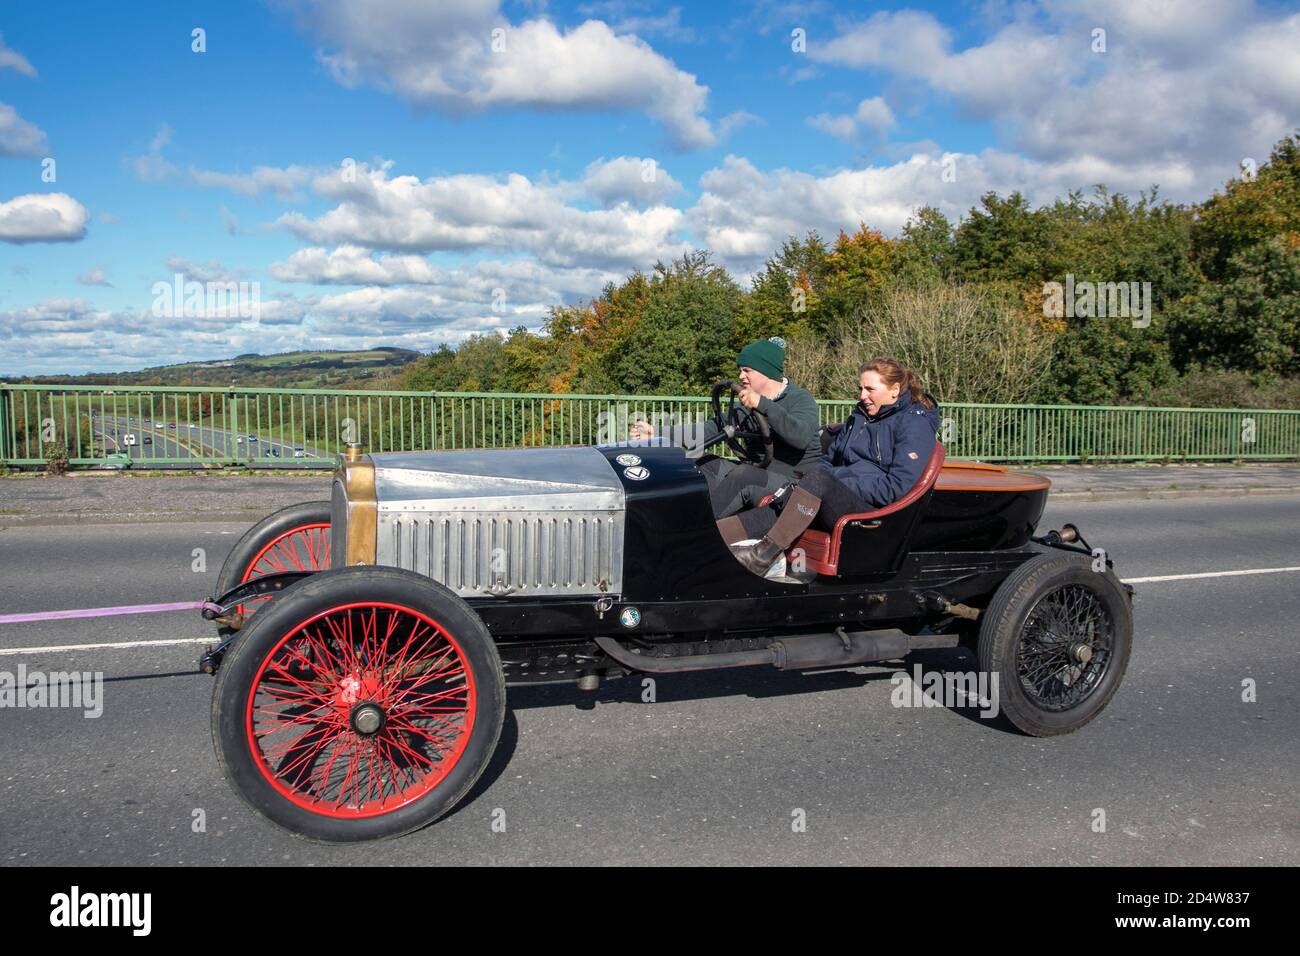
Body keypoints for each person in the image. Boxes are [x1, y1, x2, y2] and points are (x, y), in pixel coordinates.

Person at [727, 357, 940, 575]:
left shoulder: (914, 424)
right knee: (788, 498)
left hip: (873, 514)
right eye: (860, 388)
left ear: (894, 390)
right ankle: (714, 540)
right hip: (838, 496)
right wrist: (809, 486)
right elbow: (828, 460)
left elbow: (896, 488)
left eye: (869, 389)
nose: (862, 396)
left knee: (819, 481)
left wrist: (838, 483)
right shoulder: (859, 418)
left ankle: (762, 556)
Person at [630, 338, 822, 521]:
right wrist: (656, 433)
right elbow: (710, 429)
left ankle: (692, 529)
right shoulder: (746, 406)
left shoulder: (800, 399)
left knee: (744, 475)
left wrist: (763, 405)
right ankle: (670, 513)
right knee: (701, 461)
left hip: (796, 485)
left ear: (766, 372)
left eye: (747, 370)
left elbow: (801, 436)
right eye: (740, 370)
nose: (740, 376)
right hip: (759, 473)